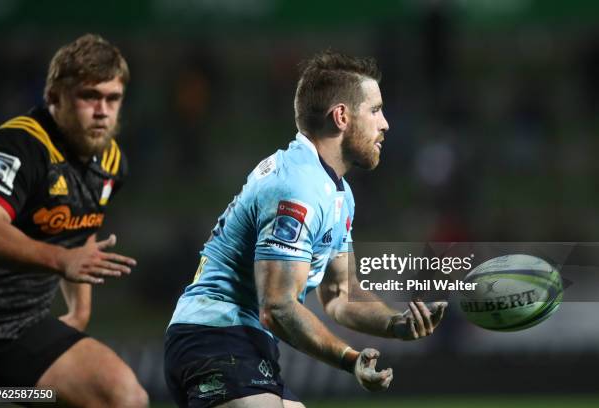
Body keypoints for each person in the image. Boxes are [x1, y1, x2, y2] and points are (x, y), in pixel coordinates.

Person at [164, 51, 448, 408]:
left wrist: (397, 323)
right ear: (342, 116)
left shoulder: (337, 193)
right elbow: (278, 307)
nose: (386, 123)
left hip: (248, 345)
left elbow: (340, 295)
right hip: (214, 336)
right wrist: (349, 358)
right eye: (375, 110)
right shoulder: (298, 187)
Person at [0, 34, 148, 407]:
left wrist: (81, 310)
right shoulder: (21, 145)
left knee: (124, 397)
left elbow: (79, 233)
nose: (102, 111)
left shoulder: (110, 164)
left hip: (21, 329)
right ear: (54, 98)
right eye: (89, 96)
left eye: (112, 98)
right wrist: (61, 261)